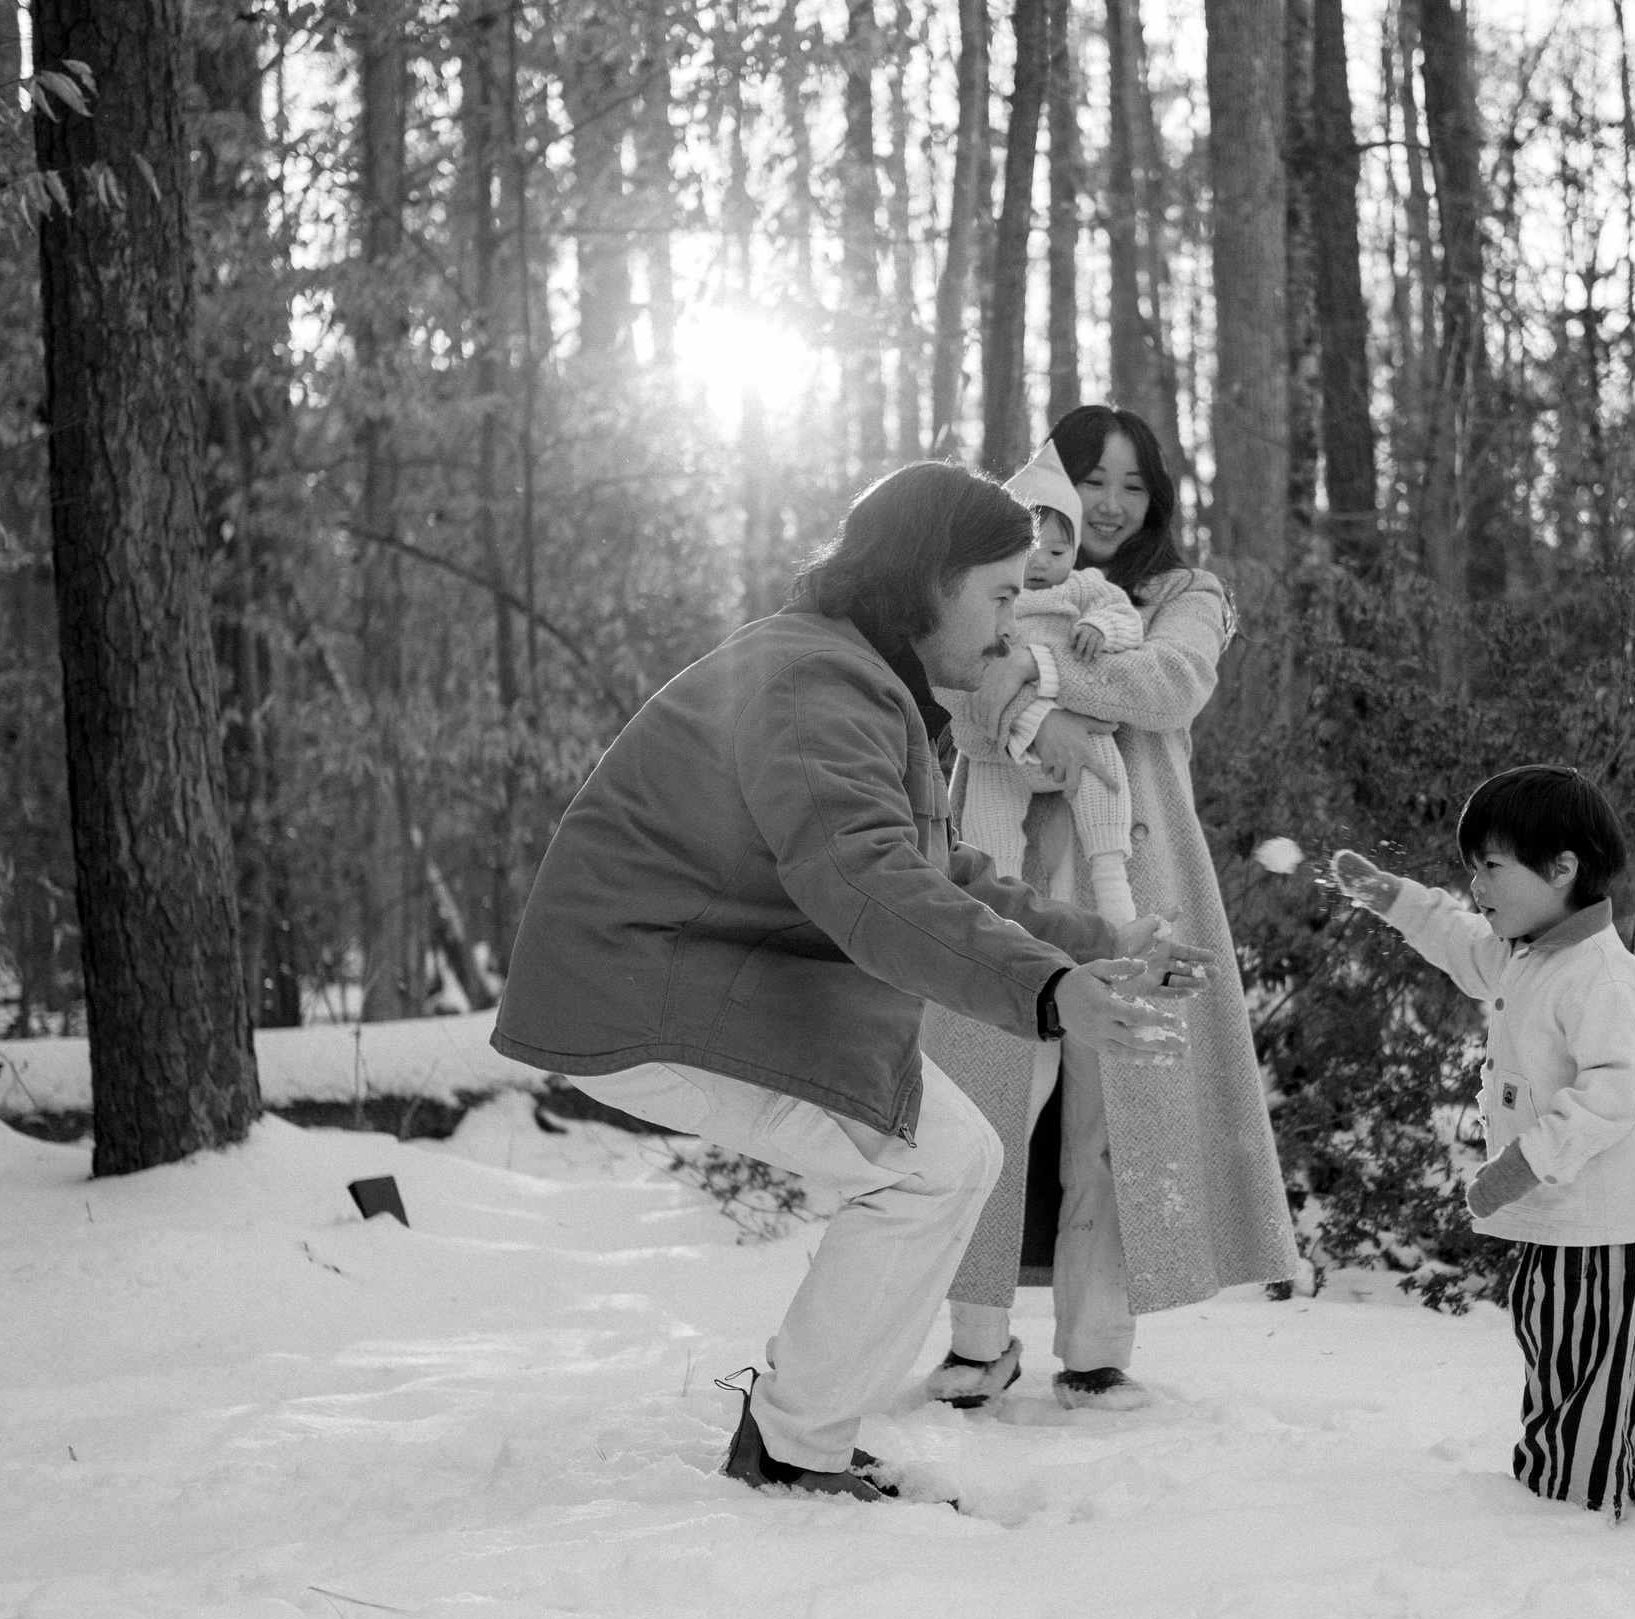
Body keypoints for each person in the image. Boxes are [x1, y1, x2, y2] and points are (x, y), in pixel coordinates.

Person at [490, 462, 1216, 1502]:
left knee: (949, 1157)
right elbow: (864, 881)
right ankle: (796, 1446)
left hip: (695, 977)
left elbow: (933, 874)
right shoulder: (815, 683)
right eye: (1002, 594)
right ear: (932, 579)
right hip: (643, 987)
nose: (1014, 631)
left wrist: (1094, 946)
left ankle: (800, 1431)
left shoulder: (851, 677)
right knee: (932, 1165)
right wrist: (1049, 992)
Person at [922, 405, 1298, 1414]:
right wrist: (1009, 672)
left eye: (1133, 485)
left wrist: (1035, 669)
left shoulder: (1190, 592)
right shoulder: (995, 575)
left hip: (1135, 874)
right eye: (1093, 478)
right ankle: (974, 1342)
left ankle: (1095, 1348)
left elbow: (1170, 684)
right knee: (992, 1093)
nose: (1110, 504)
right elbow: (956, 673)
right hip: (1001, 869)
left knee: (1114, 1110)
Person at [1330, 766, 1635, 1520]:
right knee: (1627, 1349)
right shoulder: (1525, 950)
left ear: (1562, 869)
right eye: (1470, 866)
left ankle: (1565, 1497)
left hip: (1611, 1218)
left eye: (1491, 865)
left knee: (1588, 1359)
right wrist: (1397, 899)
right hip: (1576, 1215)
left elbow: (1613, 1092)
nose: (1476, 884)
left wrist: (1523, 1163)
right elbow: (1459, 941)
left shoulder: (1603, 975)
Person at [959, 440, 1146, 925]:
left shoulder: (1085, 588)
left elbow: (1129, 622)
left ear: (1076, 550)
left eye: (1056, 550)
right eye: (1028, 550)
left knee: (1103, 774)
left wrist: (1101, 628)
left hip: (1077, 732)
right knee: (989, 807)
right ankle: (997, 908)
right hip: (1001, 738)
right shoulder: (990, 592)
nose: (1040, 562)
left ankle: (1113, 890)